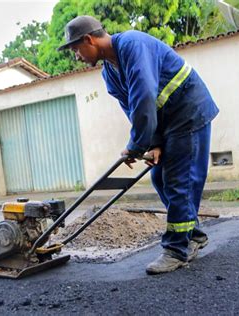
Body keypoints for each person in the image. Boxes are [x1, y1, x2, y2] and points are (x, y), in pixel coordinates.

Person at [58, 16, 219, 274]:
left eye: (76, 48)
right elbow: (133, 108)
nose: (76, 55)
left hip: (189, 111)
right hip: (168, 124)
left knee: (179, 181)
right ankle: (194, 234)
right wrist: (152, 143)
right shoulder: (109, 72)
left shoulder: (132, 45)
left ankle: (177, 250)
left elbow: (144, 96)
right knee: (159, 179)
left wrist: (135, 145)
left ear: (89, 39)